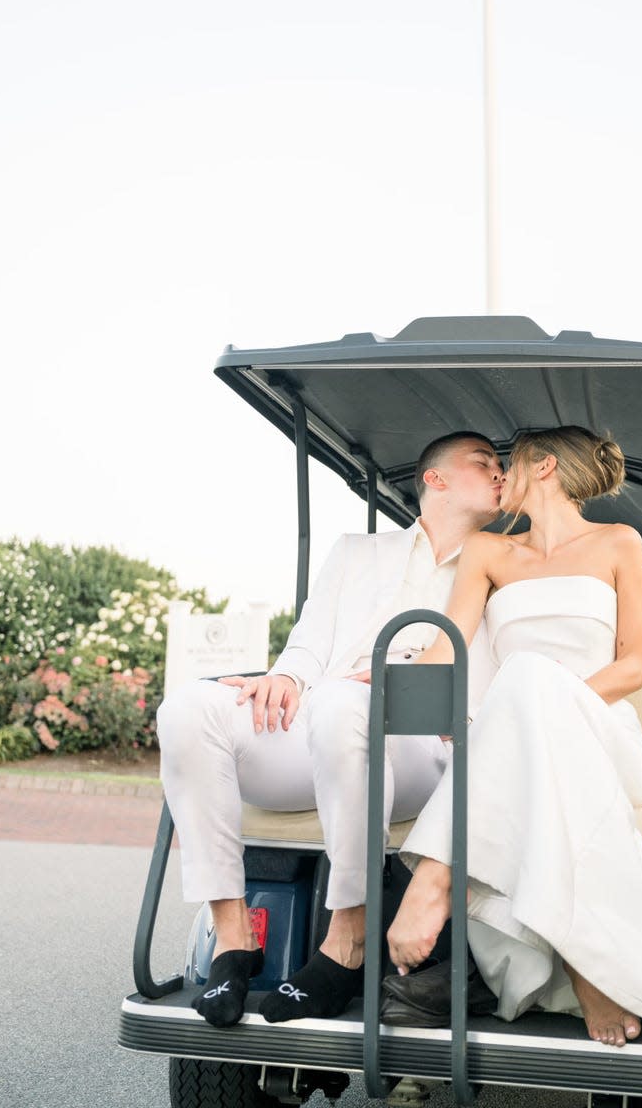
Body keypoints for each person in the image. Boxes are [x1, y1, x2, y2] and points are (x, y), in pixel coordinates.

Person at [382, 426, 642, 1047]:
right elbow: (445, 649)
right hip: (517, 744)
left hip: (602, 733)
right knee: (521, 689)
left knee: (528, 679)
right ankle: (581, 961)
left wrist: (553, 706)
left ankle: (433, 880)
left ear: (541, 467)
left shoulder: (619, 542)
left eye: (505, 464)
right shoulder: (488, 553)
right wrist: (362, 675)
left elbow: (633, 666)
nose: (498, 478)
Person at [156, 431, 505, 1027]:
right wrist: (287, 676)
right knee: (188, 708)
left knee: (344, 703)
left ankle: (347, 939)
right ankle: (233, 939)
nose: (500, 474)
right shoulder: (356, 552)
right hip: (326, 724)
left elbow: (496, 669)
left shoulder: (504, 562)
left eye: (503, 467)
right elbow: (311, 638)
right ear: (436, 479)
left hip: (428, 748)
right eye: (484, 463)